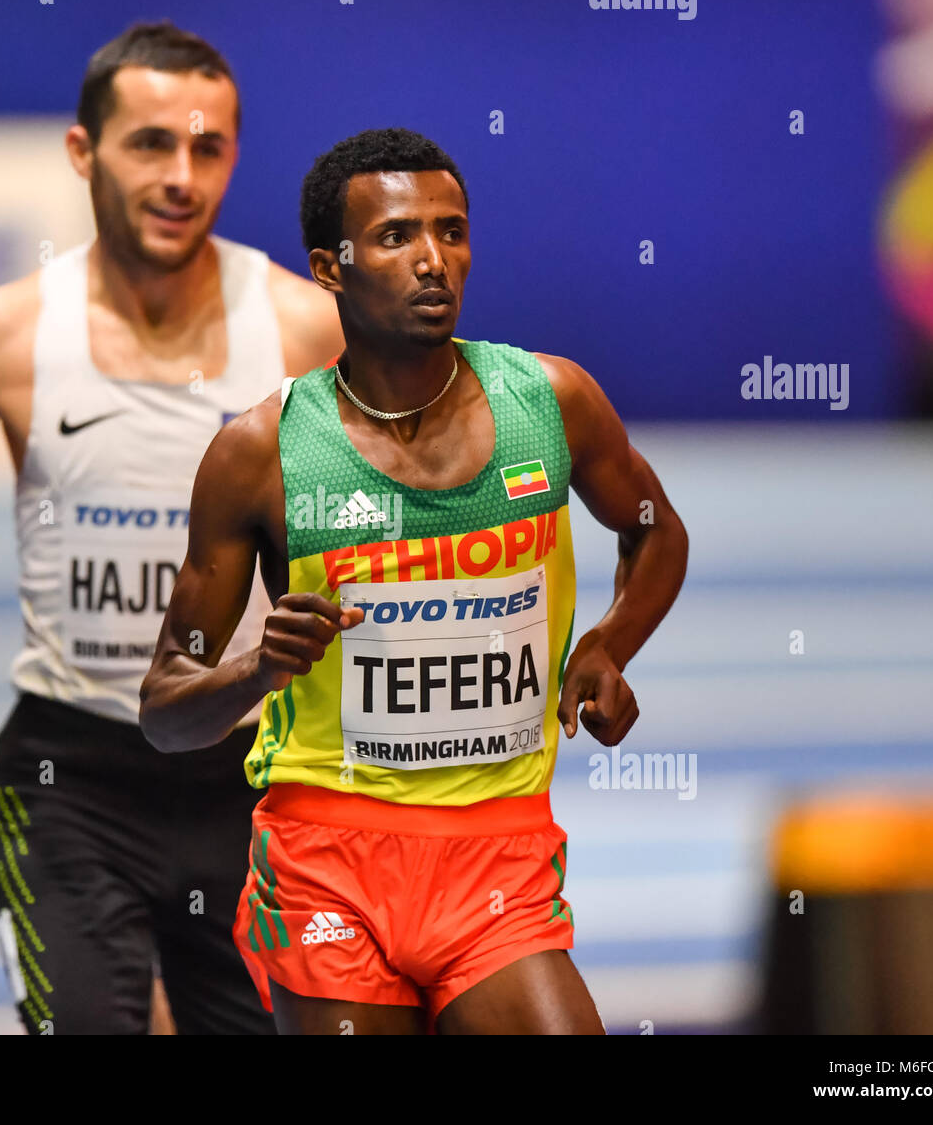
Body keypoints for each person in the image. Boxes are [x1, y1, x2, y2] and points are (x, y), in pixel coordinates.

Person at [139, 127, 689, 1034]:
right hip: (328, 863)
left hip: (499, 857)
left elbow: (655, 532)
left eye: (452, 230)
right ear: (330, 265)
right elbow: (165, 710)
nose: (433, 260)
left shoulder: (550, 404)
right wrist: (256, 673)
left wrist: (606, 644)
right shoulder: (260, 455)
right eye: (397, 237)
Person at [0, 21, 343, 1035]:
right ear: (84, 152)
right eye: (150, 144)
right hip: (69, 777)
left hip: (251, 779)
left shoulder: (302, 328)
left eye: (207, 148)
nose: (181, 175)